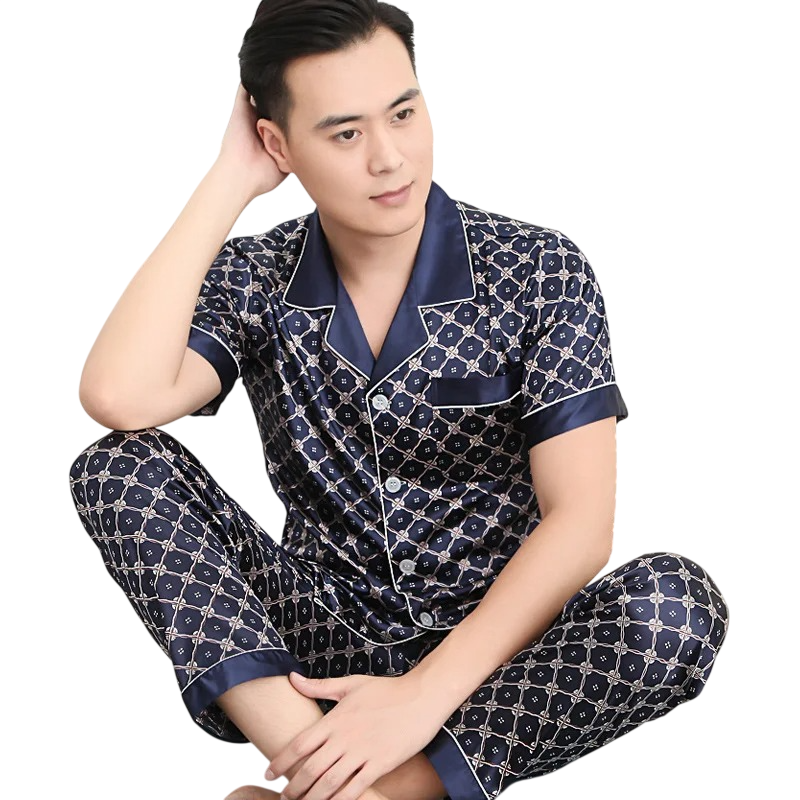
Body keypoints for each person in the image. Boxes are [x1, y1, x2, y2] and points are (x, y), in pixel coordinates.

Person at [68, 2, 730, 799]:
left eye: (404, 114)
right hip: (319, 641)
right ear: (279, 145)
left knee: (676, 606)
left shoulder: (539, 269)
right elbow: (119, 396)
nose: (389, 158)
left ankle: (363, 791)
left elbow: (582, 524)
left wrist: (421, 697)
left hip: (498, 658)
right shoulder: (255, 278)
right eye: (346, 134)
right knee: (116, 468)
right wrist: (229, 180)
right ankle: (325, 773)